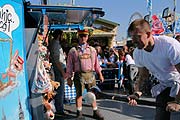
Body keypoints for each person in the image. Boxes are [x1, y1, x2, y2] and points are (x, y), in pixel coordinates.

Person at [127, 19, 180, 120]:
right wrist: (137, 92)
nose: (133, 41)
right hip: (167, 86)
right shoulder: (138, 53)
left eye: (137, 36)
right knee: (160, 116)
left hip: (178, 83)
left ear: (148, 34)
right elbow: (143, 75)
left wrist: (178, 101)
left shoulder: (169, 45)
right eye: (132, 37)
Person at [66, 29, 104, 119]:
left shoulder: (92, 50)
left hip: (91, 75)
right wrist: (68, 78)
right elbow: (69, 66)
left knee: (92, 94)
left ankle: (95, 111)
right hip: (79, 75)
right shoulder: (73, 51)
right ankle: (79, 113)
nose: (83, 38)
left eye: (85, 36)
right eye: (81, 36)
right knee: (79, 94)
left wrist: (100, 74)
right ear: (78, 37)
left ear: (87, 37)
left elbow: (96, 64)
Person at [48, 29, 67, 117]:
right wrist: (63, 72)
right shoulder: (56, 44)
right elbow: (57, 61)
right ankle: (60, 109)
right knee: (60, 90)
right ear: (59, 35)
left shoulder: (54, 43)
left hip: (58, 69)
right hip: (59, 70)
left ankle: (59, 108)